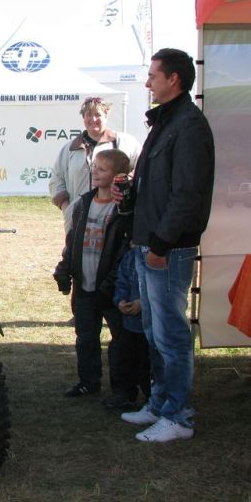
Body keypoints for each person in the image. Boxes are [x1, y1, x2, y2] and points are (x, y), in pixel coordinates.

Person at [116, 48, 215, 443]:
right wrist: (133, 194)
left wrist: (160, 243)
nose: (147, 82)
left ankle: (178, 416)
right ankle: (159, 404)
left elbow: (187, 194)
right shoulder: (165, 122)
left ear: (174, 79)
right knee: (154, 330)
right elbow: (161, 186)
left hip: (168, 249)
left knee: (171, 335)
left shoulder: (189, 125)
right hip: (149, 244)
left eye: (153, 75)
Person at [53, 149, 132, 400]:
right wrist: (65, 268)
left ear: (118, 175)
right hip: (84, 285)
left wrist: (112, 283)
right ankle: (88, 381)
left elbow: (123, 251)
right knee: (85, 338)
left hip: (111, 288)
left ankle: (122, 389)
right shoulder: (84, 202)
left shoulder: (124, 210)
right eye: (94, 167)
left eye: (102, 169)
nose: (95, 172)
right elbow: (73, 240)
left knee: (120, 341)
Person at [49, 97, 141, 233]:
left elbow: (142, 168)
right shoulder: (70, 148)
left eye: (98, 114)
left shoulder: (126, 142)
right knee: (76, 253)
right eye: (88, 115)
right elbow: (56, 179)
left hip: (115, 217)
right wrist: (67, 207)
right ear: (83, 118)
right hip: (78, 216)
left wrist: (127, 183)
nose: (93, 119)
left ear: (106, 116)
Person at [103, 249, 150, 411]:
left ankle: (152, 398)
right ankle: (124, 394)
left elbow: (163, 288)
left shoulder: (159, 257)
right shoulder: (130, 257)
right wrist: (121, 301)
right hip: (128, 323)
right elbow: (121, 282)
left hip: (150, 325)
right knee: (122, 356)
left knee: (148, 362)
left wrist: (143, 303)